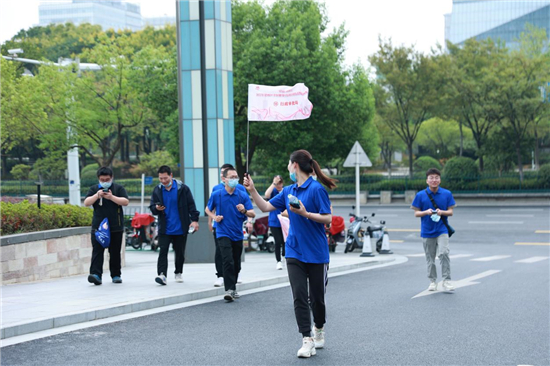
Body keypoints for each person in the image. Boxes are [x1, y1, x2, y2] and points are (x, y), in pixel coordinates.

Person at [244, 149, 336, 358]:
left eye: (288, 164)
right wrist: (253, 190)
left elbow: (328, 218)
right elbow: (266, 206)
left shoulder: (316, 190)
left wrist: (305, 213)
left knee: (317, 299)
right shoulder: (287, 191)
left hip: (316, 252)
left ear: (295, 165)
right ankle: (307, 338)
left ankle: (319, 328)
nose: (287, 168)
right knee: (299, 296)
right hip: (294, 250)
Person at [205, 167, 255, 302]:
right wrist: (214, 218)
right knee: (227, 260)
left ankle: (233, 285)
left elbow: (252, 213)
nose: (234, 180)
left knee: (236, 263)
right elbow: (207, 209)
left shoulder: (241, 194)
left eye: (235, 177)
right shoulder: (217, 194)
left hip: (237, 233)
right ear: (224, 179)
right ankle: (229, 289)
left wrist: (244, 211)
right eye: (231, 177)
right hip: (222, 231)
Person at [150, 165, 200, 285]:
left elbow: (191, 206)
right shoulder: (157, 190)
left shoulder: (182, 189)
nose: (163, 181)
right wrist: (156, 208)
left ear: (171, 175)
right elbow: (152, 207)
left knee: (179, 252)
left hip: (180, 227)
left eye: (165, 178)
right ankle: (162, 274)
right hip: (165, 227)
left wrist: (194, 220)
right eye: (161, 178)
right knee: (163, 251)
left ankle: (178, 272)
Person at [411, 168, 456, 292]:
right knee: (430, 258)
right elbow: (416, 213)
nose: (434, 180)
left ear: (440, 180)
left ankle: (446, 280)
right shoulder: (420, 195)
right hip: (427, 231)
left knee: (444, 253)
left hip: (442, 229)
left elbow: (451, 212)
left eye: (436, 177)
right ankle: (432, 281)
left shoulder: (447, 194)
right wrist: (426, 212)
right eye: (431, 178)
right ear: (427, 180)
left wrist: (442, 212)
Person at [84, 167, 129, 285]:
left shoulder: (118, 188)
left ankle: (116, 275)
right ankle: (95, 274)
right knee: (97, 251)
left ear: (112, 178)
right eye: (102, 179)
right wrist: (97, 196)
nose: (105, 182)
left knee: (115, 252)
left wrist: (111, 197)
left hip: (116, 226)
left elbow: (125, 201)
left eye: (107, 179)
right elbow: (86, 202)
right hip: (98, 227)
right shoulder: (94, 189)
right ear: (98, 179)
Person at [264, 175, 285, 269]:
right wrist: (274, 184)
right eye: (277, 183)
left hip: (285, 220)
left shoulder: (285, 191)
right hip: (274, 221)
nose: (278, 185)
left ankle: (285, 256)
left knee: (286, 241)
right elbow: (266, 195)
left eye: (280, 182)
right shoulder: (273, 191)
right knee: (278, 241)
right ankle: (278, 261)